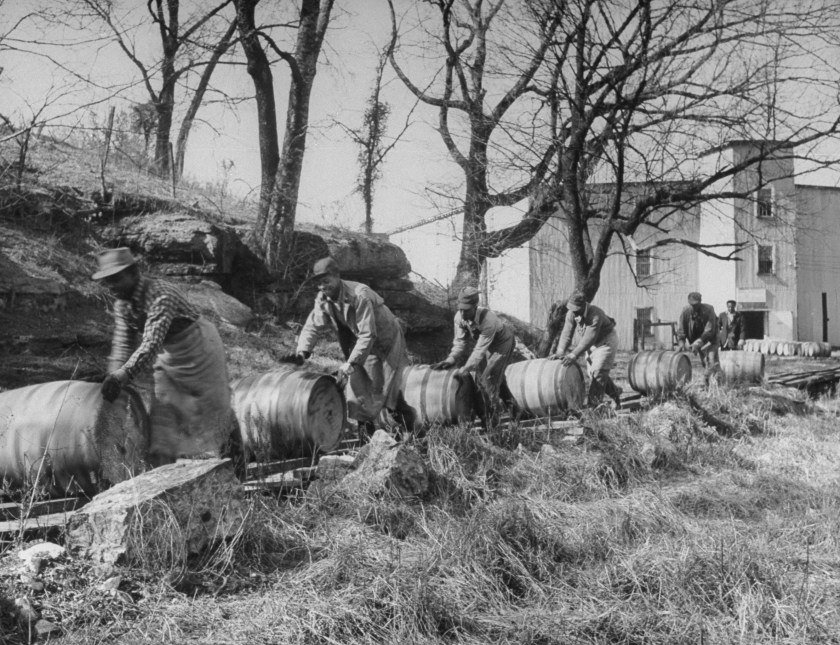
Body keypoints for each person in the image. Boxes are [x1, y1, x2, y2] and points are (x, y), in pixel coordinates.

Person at [93, 247, 235, 466]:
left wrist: (123, 374)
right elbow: (122, 343)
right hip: (168, 353)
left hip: (199, 346)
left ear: (133, 273)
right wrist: (113, 378)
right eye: (107, 281)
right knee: (163, 413)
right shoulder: (122, 304)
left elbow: (151, 342)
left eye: (116, 279)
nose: (112, 287)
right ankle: (163, 476)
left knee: (212, 408)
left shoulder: (160, 294)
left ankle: (234, 462)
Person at [288, 256, 413, 435]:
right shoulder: (322, 298)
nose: (323, 286)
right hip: (362, 342)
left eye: (326, 281)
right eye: (319, 283)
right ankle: (365, 435)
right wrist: (302, 352)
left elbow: (368, 333)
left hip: (387, 340)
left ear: (337, 276)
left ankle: (411, 435)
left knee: (391, 388)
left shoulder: (359, 294)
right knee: (359, 387)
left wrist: (351, 363)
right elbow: (312, 326)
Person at [431, 286, 515, 427]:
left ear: (475, 307)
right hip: (486, 346)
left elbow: (479, 350)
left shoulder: (488, 320)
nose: (463, 313)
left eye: (467, 310)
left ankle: (492, 422)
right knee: (485, 381)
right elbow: (459, 343)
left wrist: (466, 368)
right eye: (461, 309)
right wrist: (450, 359)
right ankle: (515, 410)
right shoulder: (459, 318)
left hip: (502, 343)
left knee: (489, 379)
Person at [551, 293, 622, 409]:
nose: (574, 312)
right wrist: (560, 352)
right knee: (593, 374)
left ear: (584, 306)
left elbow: (589, 338)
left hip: (606, 341)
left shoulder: (595, 314)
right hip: (592, 344)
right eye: (571, 309)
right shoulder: (571, 314)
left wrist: (573, 355)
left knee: (598, 372)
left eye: (576, 310)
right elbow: (566, 333)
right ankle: (615, 393)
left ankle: (593, 408)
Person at [677, 291, 721, 384]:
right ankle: (708, 384)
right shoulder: (685, 311)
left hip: (711, 338)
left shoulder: (709, 309)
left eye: (697, 304)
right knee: (705, 362)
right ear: (689, 303)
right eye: (692, 304)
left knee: (712, 360)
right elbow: (681, 330)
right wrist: (681, 343)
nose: (694, 307)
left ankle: (717, 386)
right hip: (696, 340)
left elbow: (709, 331)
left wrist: (697, 343)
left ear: (700, 302)